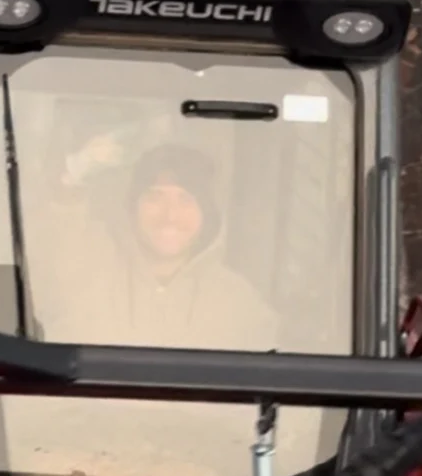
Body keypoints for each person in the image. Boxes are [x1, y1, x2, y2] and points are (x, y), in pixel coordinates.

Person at [44, 143, 279, 351]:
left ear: (207, 213)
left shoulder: (237, 301)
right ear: (132, 206)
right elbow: (57, 222)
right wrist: (77, 168)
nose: (170, 216)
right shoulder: (84, 272)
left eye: (186, 200)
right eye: (155, 198)